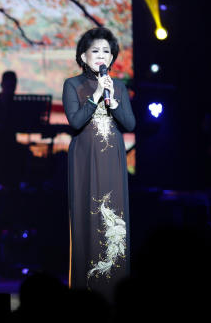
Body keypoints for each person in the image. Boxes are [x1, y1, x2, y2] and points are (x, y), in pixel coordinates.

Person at [62, 27, 135, 300]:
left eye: (107, 51)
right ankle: (86, 292)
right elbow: (75, 121)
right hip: (84, 157)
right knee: (87, 214)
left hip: (112, 157)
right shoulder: (72, 85)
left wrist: (113, 102)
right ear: (83, 56)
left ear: (112, 57)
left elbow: (130, 124)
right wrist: (96, 96)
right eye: (96, 50)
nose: (102, 55)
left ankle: (115, 288)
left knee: (115, 215)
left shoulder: (119, 87)